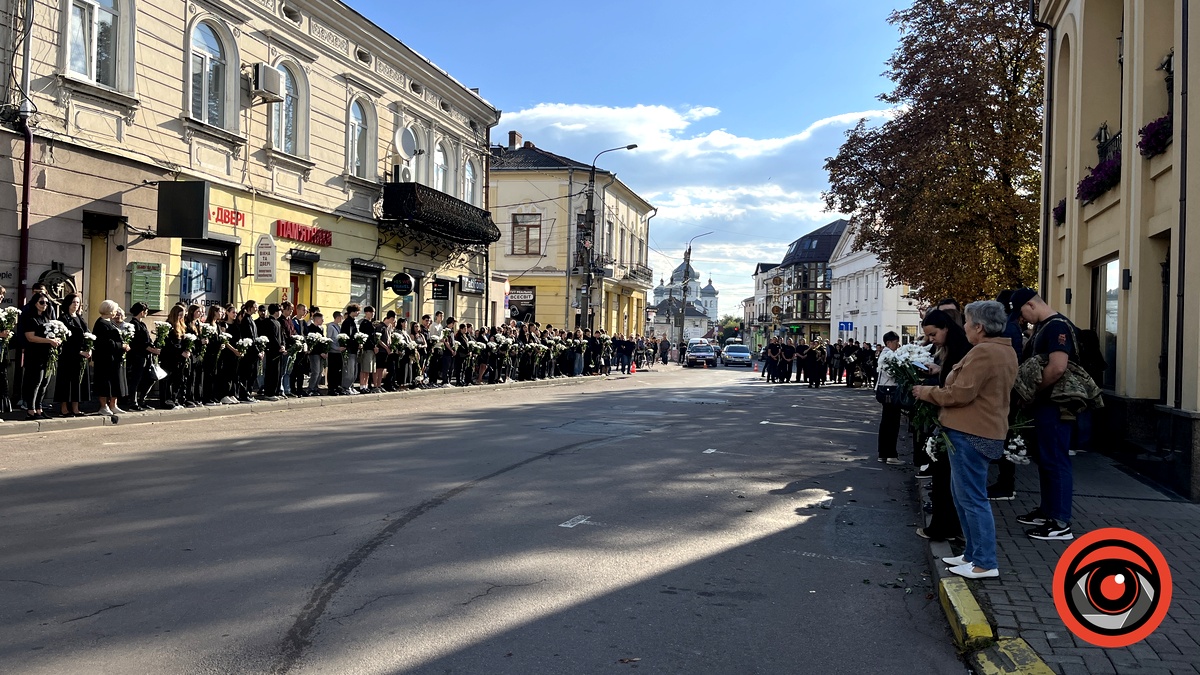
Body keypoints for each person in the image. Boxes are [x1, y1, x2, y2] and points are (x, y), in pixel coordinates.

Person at [913, 301, 1018, 579]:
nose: (965, 328)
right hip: (977, 430)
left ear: (979, 327)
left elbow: (959, 394)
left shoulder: (984, 352)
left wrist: (926, 392)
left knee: (972, 499)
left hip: (972, 431)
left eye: (968, 323)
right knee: (964, 498)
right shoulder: (1002, 350)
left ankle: (984, 561)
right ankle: (972, 555)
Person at [1011, 288, 1077, 541]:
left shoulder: (1056, 327)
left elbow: (1057, 367)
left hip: (1054, 404)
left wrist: (1032, 392)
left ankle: (1060, 521)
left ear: (1031, 304)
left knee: (1056, 460)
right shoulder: (1044, 326)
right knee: (1046, 459)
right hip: (1046, 404)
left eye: (1022, 313)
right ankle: (1048, 511)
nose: (1023, 319)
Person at [914, 309, 972, 543]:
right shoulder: (953, 349)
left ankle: (944, 528)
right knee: (945, 477)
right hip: (951, 420)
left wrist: (927, 391)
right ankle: (946, 526)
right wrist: (938, 371)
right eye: (927, 336)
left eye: (933, 334)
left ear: (947, 328)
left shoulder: (963, 350)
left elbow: (957, 391)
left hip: (956, 422)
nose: (931, 340)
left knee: (947, 477)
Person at [18, 292, 58, 419]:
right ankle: (31, 410)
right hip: (34, 354)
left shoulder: (46, 318)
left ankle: (39, 409)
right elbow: (30, 337)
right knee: (35, 382)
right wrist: (49, 341)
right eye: (41, 302)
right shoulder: (31, 318)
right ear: (35, 303)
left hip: (46, 354)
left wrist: (57, 339)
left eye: (47, 303)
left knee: (44, 383)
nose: (44, 305)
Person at [56, 293, 91, 417]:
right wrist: (78, 351)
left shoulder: (80, 318)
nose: (75, 305)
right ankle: (64, 408)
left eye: (77, 302)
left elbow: (87, 333)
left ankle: (76, 408)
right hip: (69, 355)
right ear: (68, 304)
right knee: (66, 382)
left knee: (78, 382)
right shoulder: (63, 318)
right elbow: (64, 340)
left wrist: (89, 348)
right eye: (73, 302)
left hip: (81, 356)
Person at [92, 299, 129, 415]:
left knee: (115, 382)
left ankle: (113, 405)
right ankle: (103, 406)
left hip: (114, 358)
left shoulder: (110, 322)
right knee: (105, 383)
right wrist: (121, 345)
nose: (116, 312)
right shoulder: (101, 324)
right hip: (104, 359)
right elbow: (106, 343)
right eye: (114, 310)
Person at [875, 332, 903, 464]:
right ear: (889, 343)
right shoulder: (888, 355)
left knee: (886, 422)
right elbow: (891, 373)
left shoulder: (884, 354)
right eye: (896, 342)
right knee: (892, 422)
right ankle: (891, 454)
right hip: (890, 391)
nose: (898, 345)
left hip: (885, 390)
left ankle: (883, 453)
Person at [123, 302, 157, 411]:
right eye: (146, 311)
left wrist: (153, 347)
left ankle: (142, 400)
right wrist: (151, 349)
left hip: (146, 356)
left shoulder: (142, 324)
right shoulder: (133, 324)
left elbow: (147, 340)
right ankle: (133, 402)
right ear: (142, 311)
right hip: (138, 356)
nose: (146, 313)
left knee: (150, 378)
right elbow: (138, 343)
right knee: (136, 379)